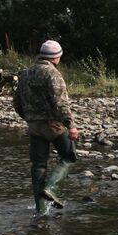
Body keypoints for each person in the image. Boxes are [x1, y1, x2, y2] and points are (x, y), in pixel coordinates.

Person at [13, 39, 79, 214]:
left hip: (34, 126)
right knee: (69, 156)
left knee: (39, 165)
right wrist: (71, 125)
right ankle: (51, 187)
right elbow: (61, 104)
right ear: (56, 57)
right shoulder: (53, 74)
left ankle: (40, 209)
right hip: (53, 125)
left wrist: (29, 118)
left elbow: (17, 103)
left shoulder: (25, 74)